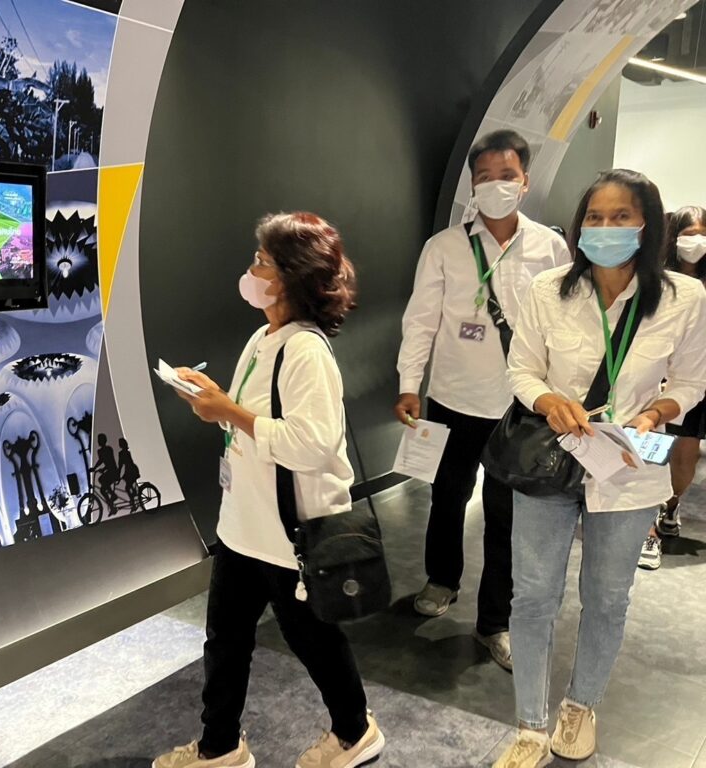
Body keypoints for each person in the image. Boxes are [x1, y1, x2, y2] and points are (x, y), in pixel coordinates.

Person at [493, 170, 706, 768]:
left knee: (608, 598)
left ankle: (580, 706)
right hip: (551, 456)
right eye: (595, 216)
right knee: (533, 595)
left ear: (648, 225)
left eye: (621, 217)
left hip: (631, 461)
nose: (605, 228)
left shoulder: (686, 298)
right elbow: (521, 369)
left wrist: (658, 412)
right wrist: (547, 400)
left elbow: (692, 381)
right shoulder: (548, 289)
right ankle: (529, 725)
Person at [153, 212, 383, 768]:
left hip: (290, 534)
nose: (250, 270)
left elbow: (310, 445)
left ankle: (355, 732)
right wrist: (215, 400)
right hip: (244, 525)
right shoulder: (264, 337)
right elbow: (254, 419)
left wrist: (229, 411)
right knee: (225, 640)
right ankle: (220, 747)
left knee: (313, 641)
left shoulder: (307, 351)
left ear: (289, 277)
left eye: (261, 262)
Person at [395, 129, 570, 670]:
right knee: (447, 497)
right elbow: (420, 322)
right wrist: (408, 384)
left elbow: (561, 325)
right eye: (485, 176)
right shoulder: (444, 247)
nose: (496, 185)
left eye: (506, 175)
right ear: (473, 184)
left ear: (525, 181)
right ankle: (441, 580)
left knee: (504, 514)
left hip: (517, 407)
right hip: (451, 398)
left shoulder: (550, 248)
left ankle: (495, 621)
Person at [638, 205, 706, 569]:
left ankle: (670, 506)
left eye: (702, 235)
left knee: (684, 459)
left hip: (696, 383)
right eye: (688, 234)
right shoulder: (655, 280)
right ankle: (647, 530)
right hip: (656, 380)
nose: (696, 242)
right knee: (650, 454)